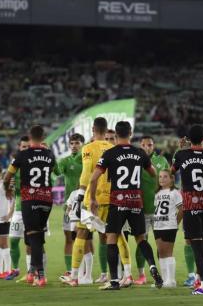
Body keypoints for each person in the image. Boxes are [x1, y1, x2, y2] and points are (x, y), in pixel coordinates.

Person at [88, 121, 162, 291]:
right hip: (136, 201)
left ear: (116, 135)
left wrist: (92, 199)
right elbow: (153, 173)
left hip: (117, 201)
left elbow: (93, 178)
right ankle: (152, 267)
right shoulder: (140, 152)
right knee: (141, 238)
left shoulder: (110, 153)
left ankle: (114, 280)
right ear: (130, 133)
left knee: (111, 238)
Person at [61, 117, 132, 287]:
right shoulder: (114, 148)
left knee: (81, 233)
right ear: (106, 129)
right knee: (116, 234)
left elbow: (86, 173)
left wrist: (80, 193)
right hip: (112, 198)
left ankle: (75, 276)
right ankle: (128, 275)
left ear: (93, 129)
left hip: (92, 198)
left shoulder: (88, 148)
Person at [172, 125, 203, 295]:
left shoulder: (181, 155)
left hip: (190, 206)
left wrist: (181, 151)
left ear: (188, 139)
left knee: (196, 245)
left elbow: (172, 172)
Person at [3, 125, 56, 287]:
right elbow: (52, 170)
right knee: (37, 236)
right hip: (47, 199)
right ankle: (32, 271)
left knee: (33, 236)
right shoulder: (49, 154)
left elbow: (8, 176)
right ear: (43, 137)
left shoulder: (22, 154)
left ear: (29, 136)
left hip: (29, 199)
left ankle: (40, 276)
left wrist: (7, 189)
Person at [136, 135, 170, 285]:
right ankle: (141, 274)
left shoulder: (161, 161)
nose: (147, 147)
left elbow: (168, 181)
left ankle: (163, 274)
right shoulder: (136, 160)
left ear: (153, 146)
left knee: (160, 243)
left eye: (149, 145)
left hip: (158, 210)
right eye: (144, 145)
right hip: (141, 209)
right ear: (140, 145)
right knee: (141, 241)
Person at [57, 133, 84, 277]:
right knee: (69, 238)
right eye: (72, 143)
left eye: (77, 143)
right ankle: (70, 270)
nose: (74, 146)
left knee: (85, 239)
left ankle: (84, 271)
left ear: (82, 144)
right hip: (69, 206)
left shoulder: (87, 160)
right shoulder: (65, 161)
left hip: (85, 205)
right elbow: (56, 172)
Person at [6, 136, 30, 281]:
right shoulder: (15, 166)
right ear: (19, 148)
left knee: (31, 242)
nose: (26, 149)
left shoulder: (36, 165)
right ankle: (15, 269)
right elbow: (11, 192)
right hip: (19, 209)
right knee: (14, 240)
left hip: (32, 207)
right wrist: (10, 186)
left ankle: (31, 272)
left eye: (28, 147)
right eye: (23, 147)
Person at [153, 170, 182, 288]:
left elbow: (182, 208)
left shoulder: (175, 192)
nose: (162, 179)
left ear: (171, 179)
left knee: (168, 253)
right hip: (157, 225)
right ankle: (164, 280)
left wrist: (176, 222)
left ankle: (171, 280)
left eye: (165, 177)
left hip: (169, 225)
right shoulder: (157, 193)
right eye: (160, 177)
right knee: (160, 253)